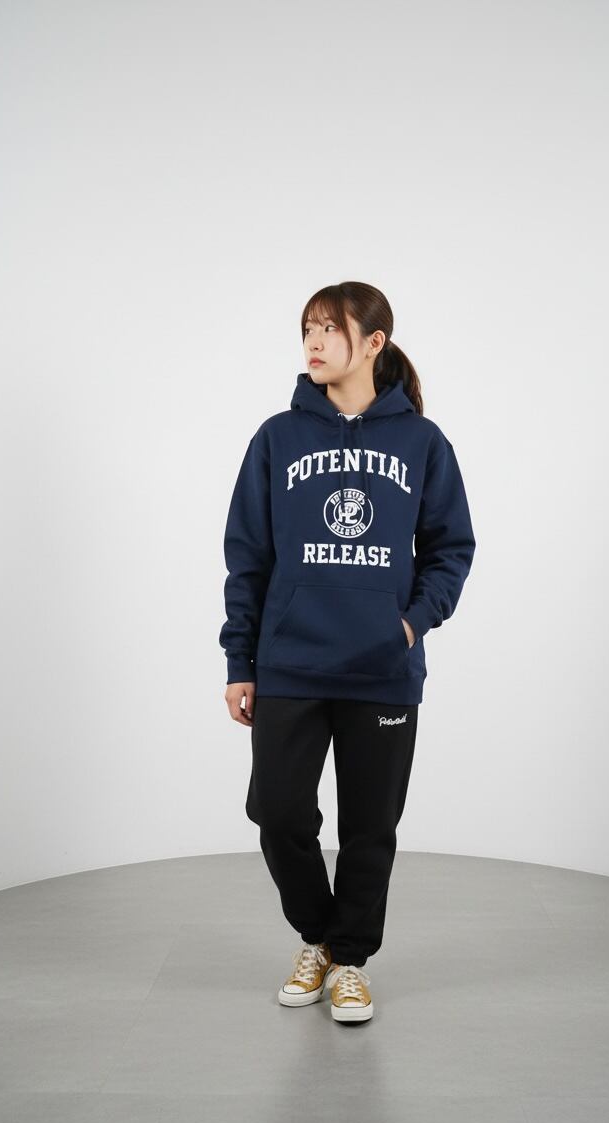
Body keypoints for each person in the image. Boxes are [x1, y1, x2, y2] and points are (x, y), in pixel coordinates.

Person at [218, 281, 476, 1025]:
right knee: (278, 814)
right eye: (308, 327)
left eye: (330, 329)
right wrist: (241, 661)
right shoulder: (277, 438)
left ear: (374, 343)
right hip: (290, 663)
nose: (314, 342)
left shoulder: (422, 443)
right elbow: (247, 556)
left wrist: (412, 623)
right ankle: (321, 938)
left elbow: (451, 548)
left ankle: (350, 961)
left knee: (370, 829)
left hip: (382, 669)